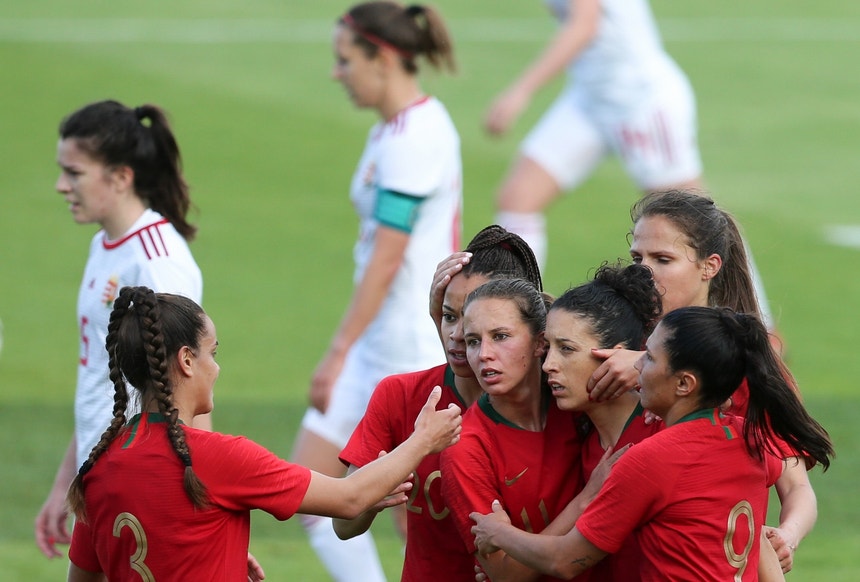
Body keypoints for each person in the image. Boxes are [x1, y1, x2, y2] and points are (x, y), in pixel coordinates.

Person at [64, 286, 462, 582]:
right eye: (212, 353)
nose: (216, 368)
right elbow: (348, 498)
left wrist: (219, 554)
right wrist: (423, 440)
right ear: (187, 361)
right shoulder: (220, 459)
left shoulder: (99, 467)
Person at [470, 306, 833, 581]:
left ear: (684, 384)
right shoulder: (744, 437)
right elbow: (758, 546)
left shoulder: (651, 459)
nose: (636, 365)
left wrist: (498, 532)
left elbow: (564, 560)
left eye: (650, 357)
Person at [290, 2, 462, 579]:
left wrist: (337, 350)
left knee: (413, 516)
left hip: (408, 347)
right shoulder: (393, 129)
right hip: (376, 343)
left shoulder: (416, 138)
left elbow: (389, 258)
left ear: (383, 58)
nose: (337, 73)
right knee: (311, 497)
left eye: (345, 61)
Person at [587, 190, 817, 572]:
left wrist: (785, 536)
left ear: (709, 266)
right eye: (637, 258)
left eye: (663, 259)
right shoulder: (608, 340)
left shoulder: (740, 363)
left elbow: (796, 487)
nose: (643, 273)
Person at [35, 100, 205, 559]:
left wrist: (203, 503)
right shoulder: (104, 246)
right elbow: (103, 378)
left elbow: (192, 383)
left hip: (143, 482)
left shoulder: (157, 261)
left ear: (120, 176)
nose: (60, 185)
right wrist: (67, 483)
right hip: (102, 476)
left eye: (74, 173)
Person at [334, 225, 543, 581]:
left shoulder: (563, 405)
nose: (457, 334)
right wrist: (375, 492)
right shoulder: (402, 397)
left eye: (477, 319)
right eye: (448, 316)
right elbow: (344, 523)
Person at [485, 0, 702, 271]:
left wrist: (520, 92)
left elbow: (584, 25)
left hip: (639, 98)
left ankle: (748, 309)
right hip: (589, 97)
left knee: (693, 222)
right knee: (518, 198)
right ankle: (520, 308)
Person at [441, 278, 594, 581]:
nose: (484, 354)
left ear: (540, 343)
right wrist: (587, 498)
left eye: (500, 336)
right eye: (473, 341)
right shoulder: (465, 447)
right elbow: (504, 573)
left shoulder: (581, 403)